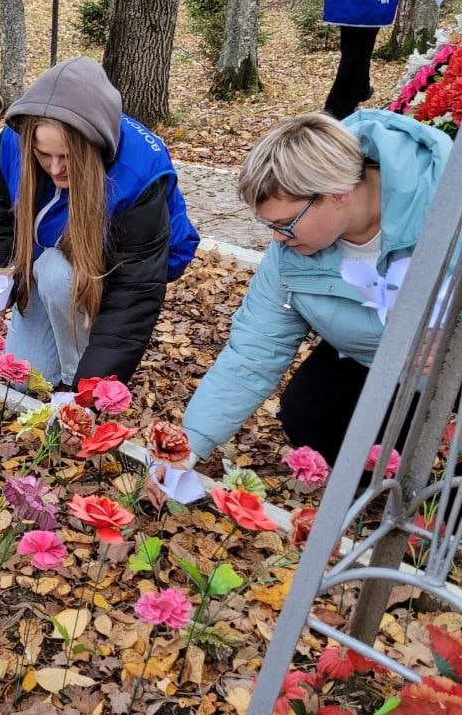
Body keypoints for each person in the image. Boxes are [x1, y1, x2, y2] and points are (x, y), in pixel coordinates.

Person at [172, 110, 452, 475]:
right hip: (370, 357)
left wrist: (452, 340)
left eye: (285, 224)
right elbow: (255, 350)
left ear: (337, 194)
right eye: (269, 225)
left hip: (448, 368)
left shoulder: (447, 201)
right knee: (309, 414)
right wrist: (190, 443)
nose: (276, 238)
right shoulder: (290, 255)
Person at [0, 57, 199, 389]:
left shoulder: (138, 176)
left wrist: (85, 390)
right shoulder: (13, 142)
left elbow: (132, 297)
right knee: (22, 380)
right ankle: (66, 331)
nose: (53, 169)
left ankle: (70, 374)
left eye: (67, 157)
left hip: (116, 269)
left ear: (93, 148)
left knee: (55, 272)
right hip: (55, 259)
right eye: (43, 155)